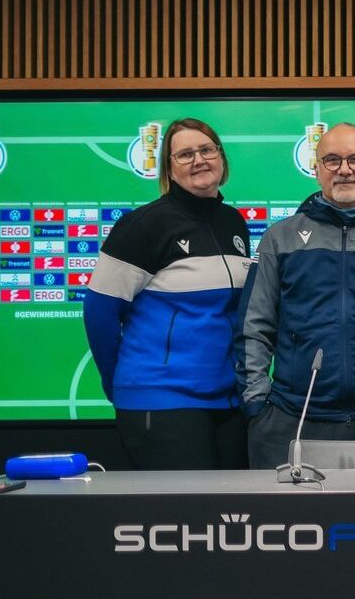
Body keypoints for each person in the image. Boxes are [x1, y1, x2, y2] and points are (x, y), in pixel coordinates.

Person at [236, 124, 355, 469]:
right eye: (332, 160)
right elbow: (254, 326)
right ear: (316, 170)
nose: (344, 169)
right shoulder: (279, 239)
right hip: (292, 415)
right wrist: (256, 405)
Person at [84, 118, 252, 470]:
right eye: (185, 154)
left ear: (221, 158)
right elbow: (99, 314)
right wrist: (123, 385)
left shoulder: (233, 223)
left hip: (227, 400)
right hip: (160, 400)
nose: (199, 160)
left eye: (207, 150)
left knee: (231, 503)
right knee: (189, 505)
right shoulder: (144, 225)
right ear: (169, 169)